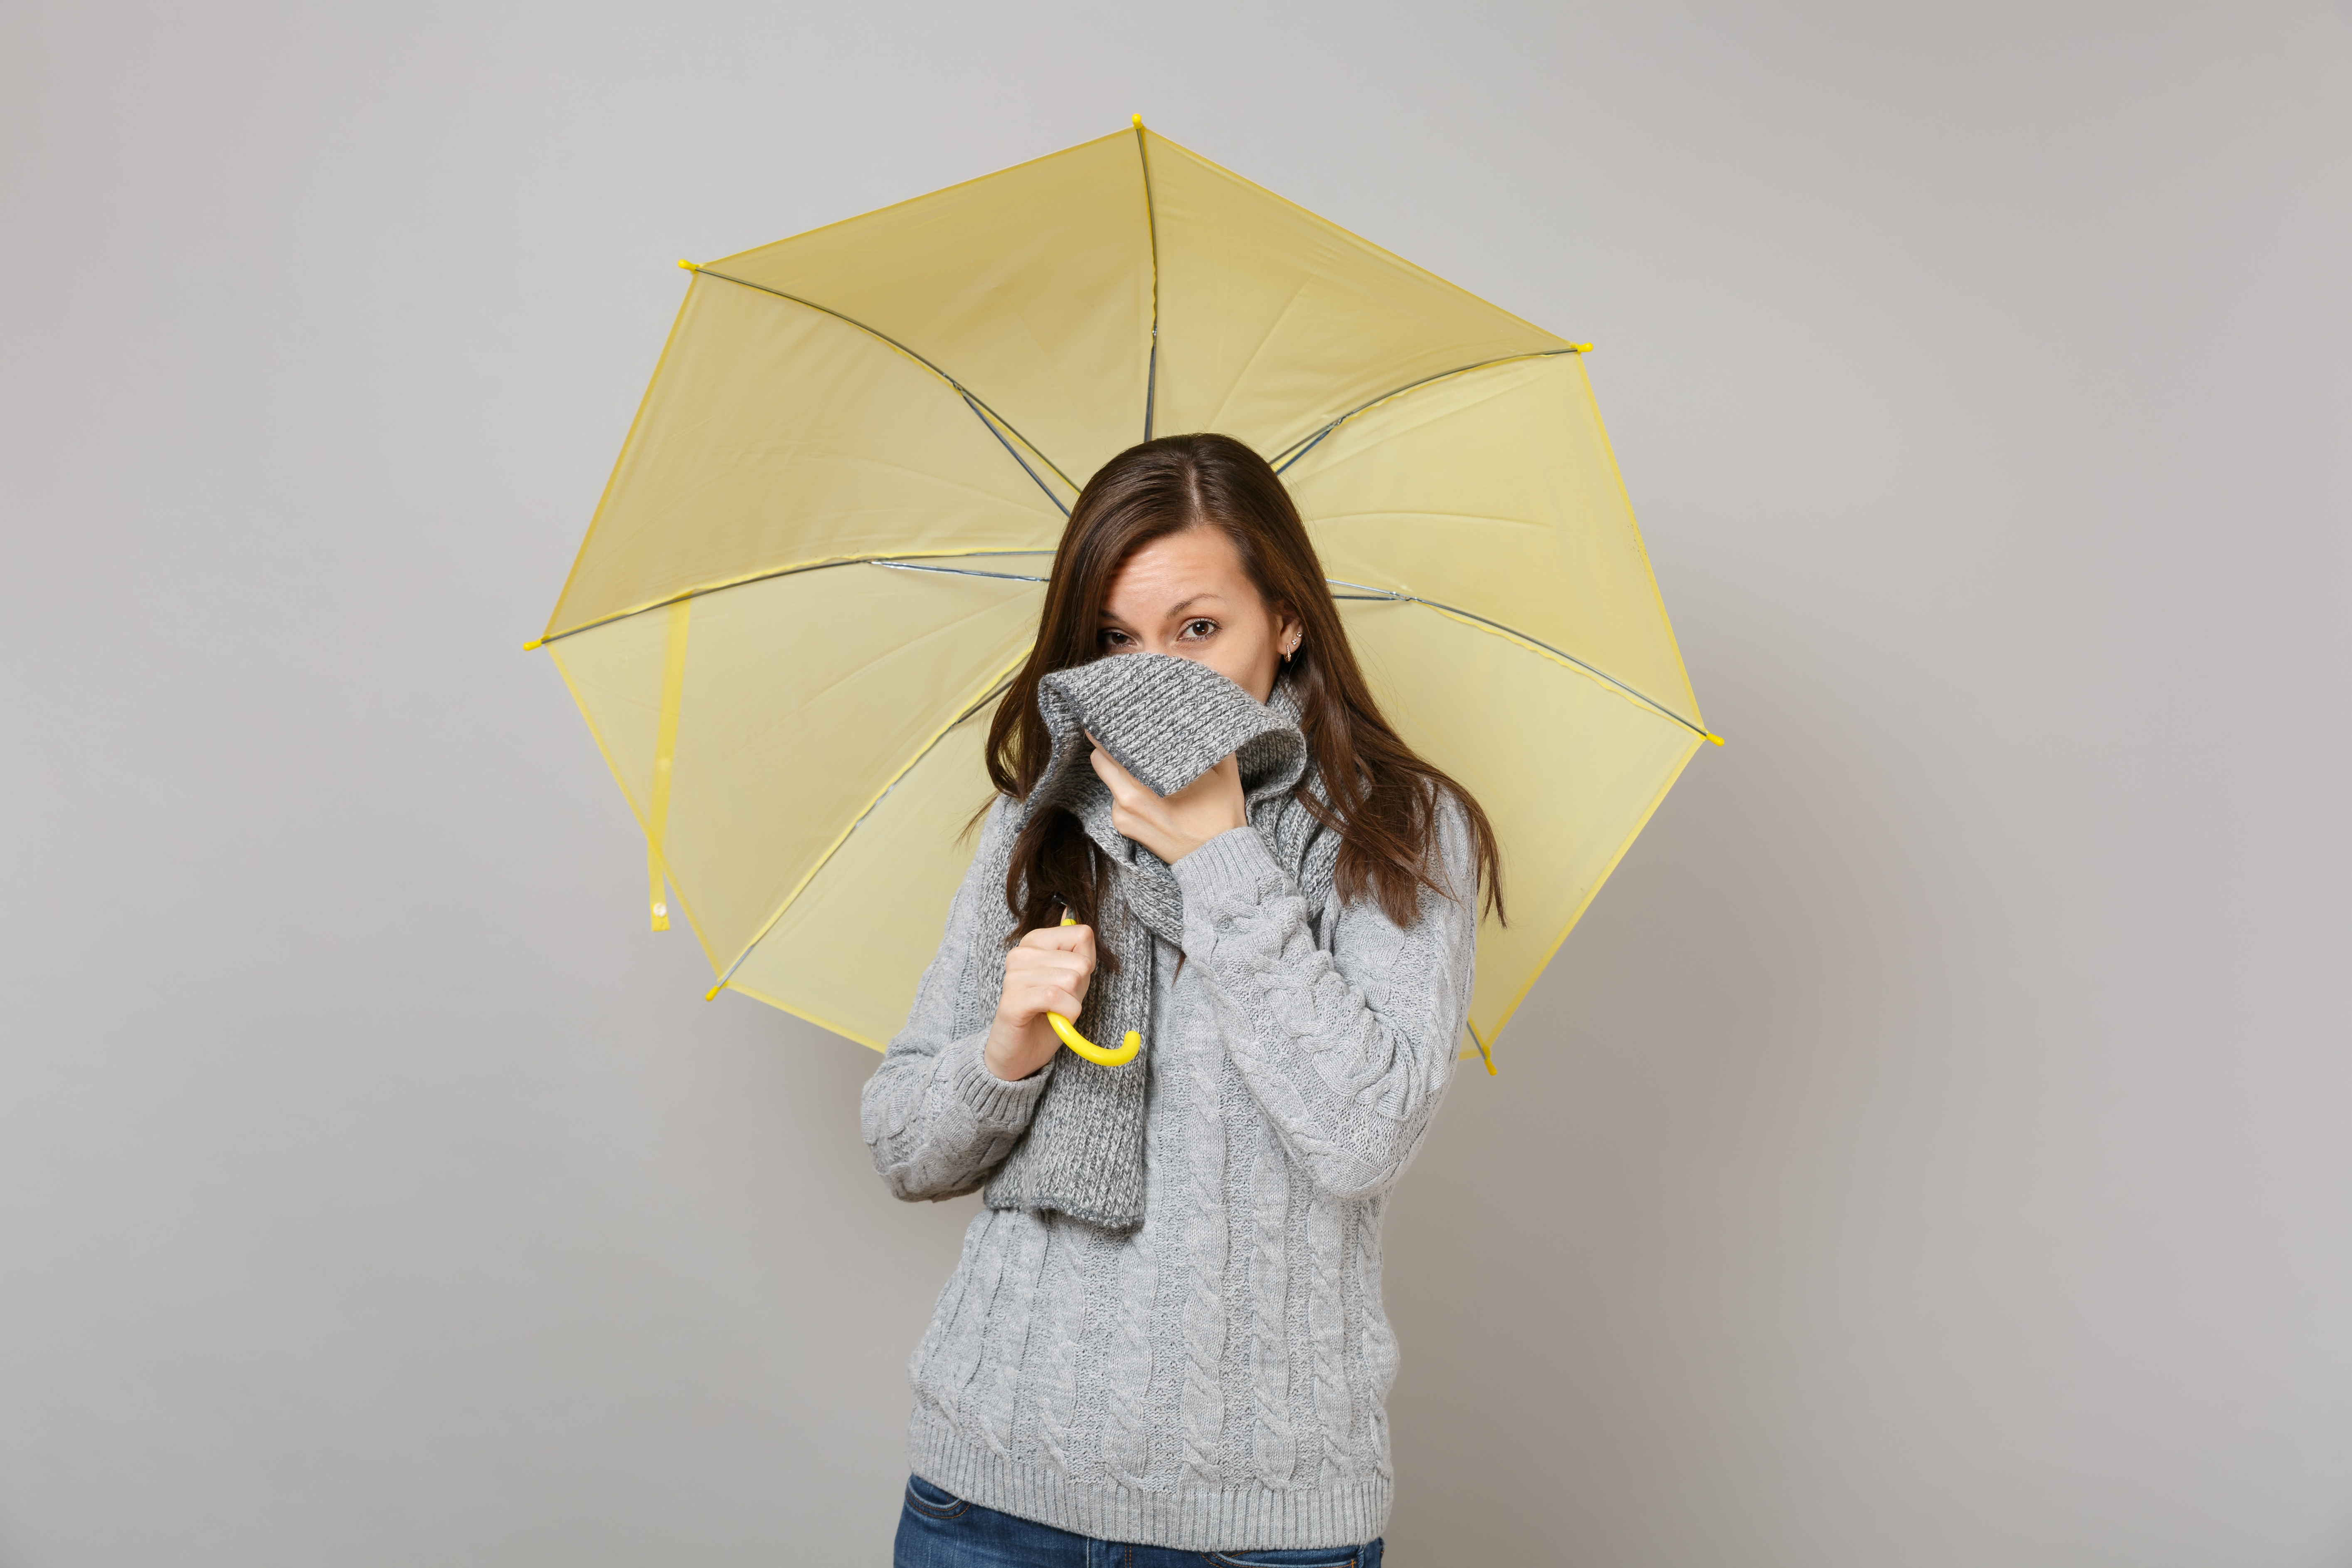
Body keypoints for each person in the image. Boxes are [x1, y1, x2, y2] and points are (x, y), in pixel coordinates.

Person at [862, 432, 1504, 1567]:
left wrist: (1222, 859)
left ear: (1288, 619)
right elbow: (906, 1146)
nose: (1149, 672)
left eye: (1196, 630)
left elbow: (1358, 1134)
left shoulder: (1399, 831)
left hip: (1256, 1523)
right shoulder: (1043, 817)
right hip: (993, 1489)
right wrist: (1003, 1047)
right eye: (1114, 638)